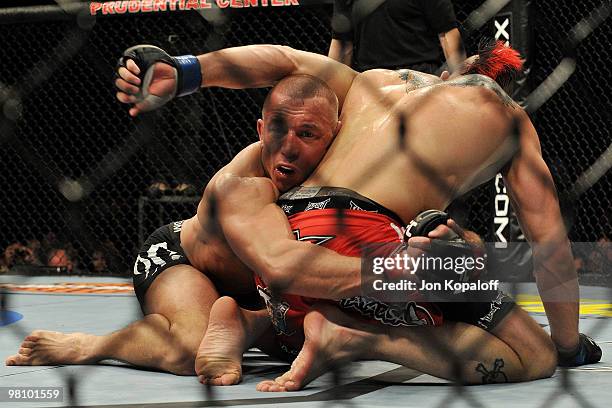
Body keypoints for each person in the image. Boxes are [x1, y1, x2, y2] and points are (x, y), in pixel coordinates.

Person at [111, 39, 600, 389]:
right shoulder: (513, 121)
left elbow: (282, 60)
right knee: (529, 351)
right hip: (365, 237)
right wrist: (567, 343)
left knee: (452, 247)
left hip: (290, 228)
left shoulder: (372, 84)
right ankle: (361, 340)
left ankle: (256, 320)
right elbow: (551, 247)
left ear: (450, 74)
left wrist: (188, 71)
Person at [4, 74, 343, 383]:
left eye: (308, 134)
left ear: (335, 136)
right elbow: (282, 266)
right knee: (190, 351)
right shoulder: (242, 185)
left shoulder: (348, 171)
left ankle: (247, 322)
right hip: (182, 261)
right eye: (277, 129)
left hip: (255, 291)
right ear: (259, 129)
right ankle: (91, 345)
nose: (288, 146)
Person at [329, 0, 465, 73]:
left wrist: (459, 78)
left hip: (419, 75)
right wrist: (331, 88)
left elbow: (447, 33)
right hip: (371, 77)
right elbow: (342, 44)